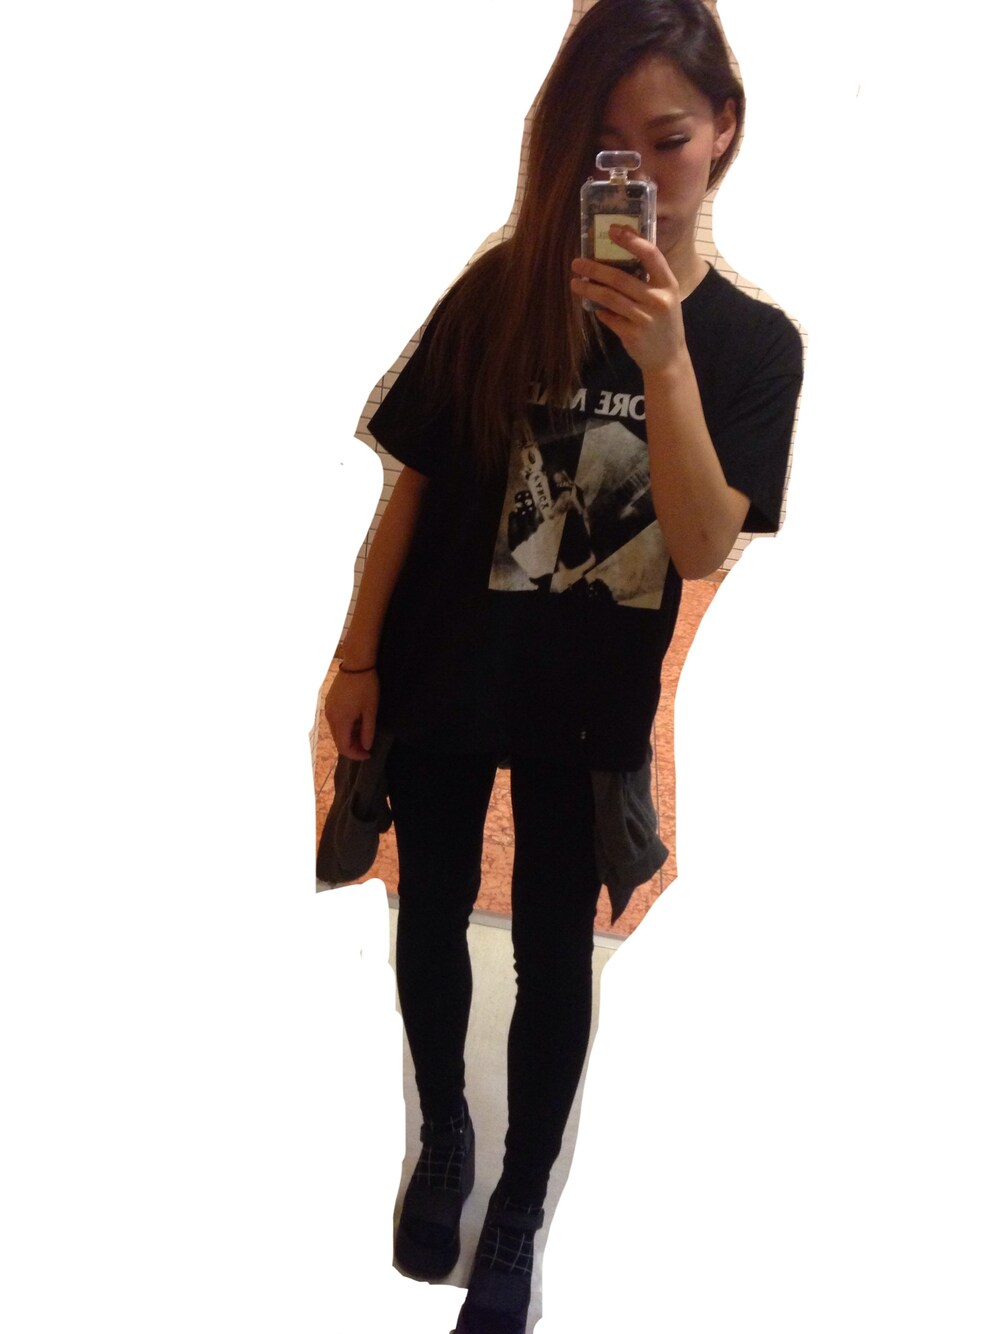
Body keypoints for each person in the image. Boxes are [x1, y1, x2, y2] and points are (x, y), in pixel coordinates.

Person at [324, 1, 803, 1329]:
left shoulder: (753, 346)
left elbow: (701, 541)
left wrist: (666, 361)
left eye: (669, 140)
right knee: (426, 914)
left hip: (583, 704)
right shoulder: (504, 287)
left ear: (725, 131)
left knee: (552, 947)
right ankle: (446, 1139)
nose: (641, 175)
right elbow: (417, 487)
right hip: (440, 668)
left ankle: (521, 1205)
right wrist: (356, 659)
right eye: (607, 150)